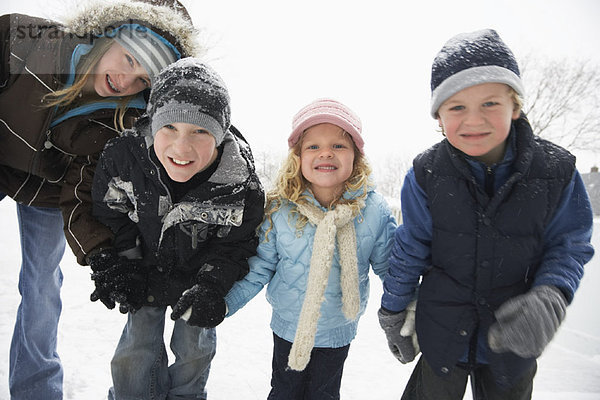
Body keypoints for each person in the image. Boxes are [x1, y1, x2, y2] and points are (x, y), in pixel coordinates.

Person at [378, 29, 595, 400]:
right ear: (439, 116)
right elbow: (411, 245)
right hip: (441, 329)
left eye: (490, 103)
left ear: (515, 106)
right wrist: (394, 310)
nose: (473, 120)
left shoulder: (556, 170)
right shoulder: (426, 173)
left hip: (513, 336)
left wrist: (551, 294)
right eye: (457, 106)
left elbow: (568, 245)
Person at [0, 1, 200, 398]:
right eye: (128, 58)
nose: (126, 82)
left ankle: (35, 390)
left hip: (47, 191)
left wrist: (101, 254)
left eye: (143, 80)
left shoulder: (122, 121)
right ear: (107, 34)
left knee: (40, 284)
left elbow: (81, 189)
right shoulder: (24, 43)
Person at [91, 57, 265, 400]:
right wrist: (123, 261)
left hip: (198, 278)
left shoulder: (237, 182)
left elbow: (236, 244)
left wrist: (212, 286)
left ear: (220, 135)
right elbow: (110, 211)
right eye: (169, 128)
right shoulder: (124, 158)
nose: (181, 146)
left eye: (200, 131)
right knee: (135, 351)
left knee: (194, 349)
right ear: (152, 124)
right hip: (144, 269)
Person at [224, 98, 397, 399]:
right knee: (284, 392)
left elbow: (392, 268)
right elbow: (259, 266)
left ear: (356, 156)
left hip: (338, 330)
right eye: (313, 146)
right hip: (289, 327)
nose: (326, 152)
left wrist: (412, 305)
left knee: (325, 394)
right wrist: (225, 302)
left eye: (339, 146)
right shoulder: (280, 209)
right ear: (298, 157)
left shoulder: (373, 211)